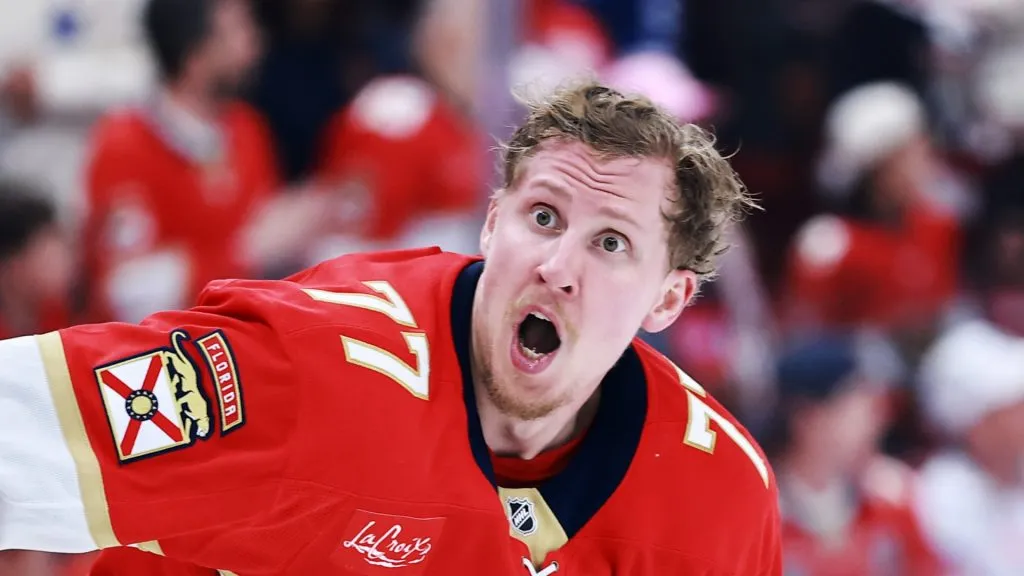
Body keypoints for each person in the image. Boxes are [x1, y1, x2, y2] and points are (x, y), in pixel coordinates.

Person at [0, 81, 780, 575]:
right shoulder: (315, 370)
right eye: (543, 218)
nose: (557, 265)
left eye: (611, 243)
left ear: (668, 301)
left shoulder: (721, 502)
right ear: (492, 222)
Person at [80, 0, 328, 324]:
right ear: (196, 58)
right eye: (239, 31)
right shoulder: (124, 145)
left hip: (241, 333)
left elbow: (265, 229)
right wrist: (244, 252)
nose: (255, 44)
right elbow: (126, 291)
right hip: (160, 354)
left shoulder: (246, 127)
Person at [767, 335, 941, 575]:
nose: (878, 421)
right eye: (859, 407)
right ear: (808, 418)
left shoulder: (890, 498)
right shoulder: (761, 515)